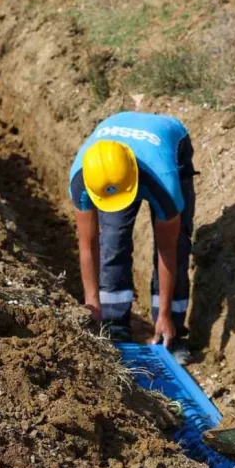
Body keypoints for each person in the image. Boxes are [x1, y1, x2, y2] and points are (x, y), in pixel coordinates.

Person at [69, 111, 196, 363]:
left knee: (178, 242)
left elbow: (167, 250)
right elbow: (88, 245)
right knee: (113, 239)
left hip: (167, 144)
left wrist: (165, 315)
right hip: (113, 157)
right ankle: (115, 323)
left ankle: (172, 330)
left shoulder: (164, 181)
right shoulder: (82, 178)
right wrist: (92, 303)